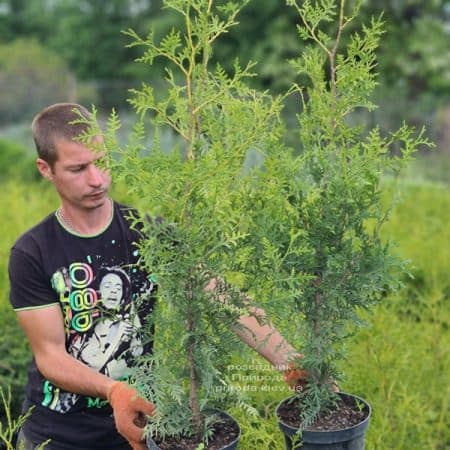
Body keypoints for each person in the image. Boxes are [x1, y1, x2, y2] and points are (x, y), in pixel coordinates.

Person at [8, 103, 306, 450]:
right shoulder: (34, 251)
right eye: (78, 168)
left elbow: (221, 296)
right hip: (56, 436)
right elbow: (50, 356)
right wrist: (113, 390)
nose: (97, 178)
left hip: (140, 427)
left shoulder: (148, 233)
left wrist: (287, 357)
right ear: (46, 169)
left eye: (102, 161)